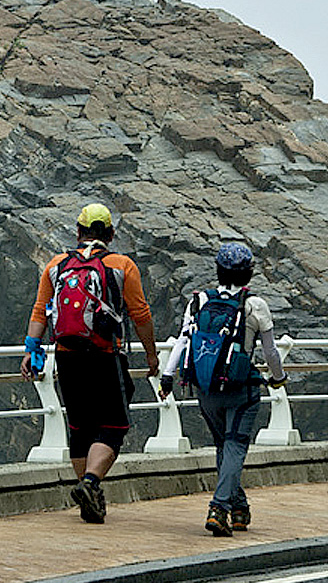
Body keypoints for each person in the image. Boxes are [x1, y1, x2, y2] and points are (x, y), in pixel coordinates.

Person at [21, 202, 159, 524]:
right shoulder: (121, 265)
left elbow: (40, 311)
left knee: (80, 427)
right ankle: (91, 482)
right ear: (110, 234)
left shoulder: (56, 265)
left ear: (78, 231)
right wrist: (151, 354)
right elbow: (141, 315)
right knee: (113, 425)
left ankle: (89, 498)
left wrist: (31, 350)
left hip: (67, 357)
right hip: (105, 355)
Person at [159, 241, 287, 537]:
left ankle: (239, 508)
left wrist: (168, 377)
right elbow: (270, 352)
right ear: (249, 273)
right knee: (235, 445)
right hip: (241, 389)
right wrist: (278, 378)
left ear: (218, 270)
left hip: (205, 388)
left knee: (224, 446)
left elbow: (183, 340)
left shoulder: (200, 300)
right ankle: (219, 508)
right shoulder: (255, 305)